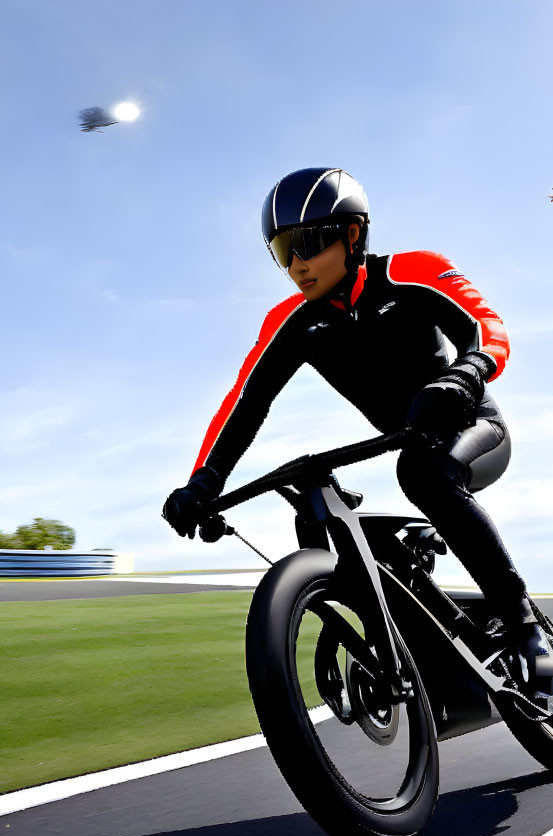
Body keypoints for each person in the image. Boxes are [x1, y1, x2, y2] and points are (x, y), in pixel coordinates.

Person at [162, 166, 552, 701]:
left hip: (475, 426)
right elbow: (245, 403)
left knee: (420, 474)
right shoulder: (293, 321)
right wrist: (202, 484)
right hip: (412, 440)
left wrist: (464, 374)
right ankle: (399, 651)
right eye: (282, 251)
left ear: (352, 234)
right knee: (320, 510)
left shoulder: (413, 272)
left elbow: (487, 327)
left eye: (309, 243)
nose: (297, 265)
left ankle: (525, 624)